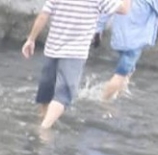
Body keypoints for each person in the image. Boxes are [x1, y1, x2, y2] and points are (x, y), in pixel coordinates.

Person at [22, 0, 133, 130]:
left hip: (52, 49)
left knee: (46, 92)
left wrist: (31, 39)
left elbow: (43, 15)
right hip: (75, 53)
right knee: (63, 94)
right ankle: (43, 129)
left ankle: (41, 121)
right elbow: (124, 9)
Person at [101, 0, 158, 101]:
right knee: (121, 74)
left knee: (127, 72)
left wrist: (98, 27)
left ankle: (116, 98)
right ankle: (104, 103)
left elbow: (107, 8)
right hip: (135, 40)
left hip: (120, 36)